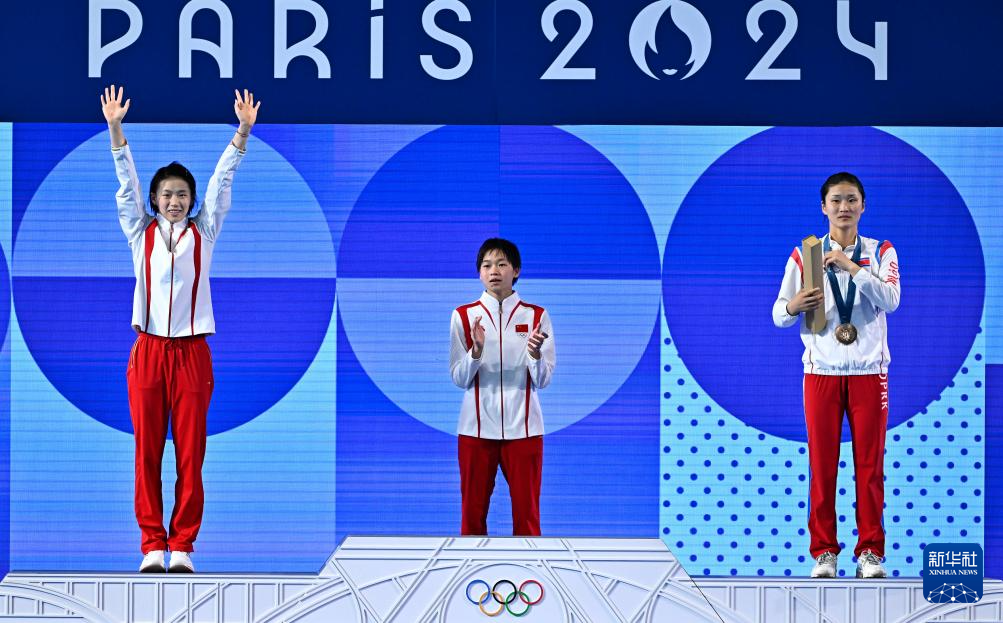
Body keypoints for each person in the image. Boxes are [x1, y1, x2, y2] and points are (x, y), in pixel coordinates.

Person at [102, 84, 260, 573]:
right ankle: (153, 543)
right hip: (148, 352)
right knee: (147, 452)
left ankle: (184, 545)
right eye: (167, 194)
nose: (175, 201)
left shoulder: (204, 231)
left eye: (182, 195)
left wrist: (242, 133)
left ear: (191, 202)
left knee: (191, 453)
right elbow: (126, 184)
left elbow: (220, 183)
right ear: (154, 199)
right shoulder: (139, 232)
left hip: (193, 355)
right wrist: (115, 129)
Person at [773, 172, 900, 579]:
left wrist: (851, 267)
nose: (844, 207)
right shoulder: (805, 255)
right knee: (822, 465)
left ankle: (870, 553)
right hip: (821, 373)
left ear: (863, 206)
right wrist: (793, 306)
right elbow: (778, 314)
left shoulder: (881, 251)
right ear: (824, 208)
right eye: (836, 200)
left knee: (870, 465)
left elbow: (891, 300)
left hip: (869, 373)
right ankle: (824, 551)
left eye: (851, 200)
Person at [449, 238, 556, 536]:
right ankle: (470, 567)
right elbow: (459, 378)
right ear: (479, 273)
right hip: (475, 431)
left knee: (528, 518)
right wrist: (476, 351)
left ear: (516, 270)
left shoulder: (536, 316)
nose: (493, 271)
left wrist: (534, 356)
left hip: (525, 431)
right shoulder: (463, 316)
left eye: (501, 264)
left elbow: (543, 380)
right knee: (471, 516)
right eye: (486, 265)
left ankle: (531, 568)